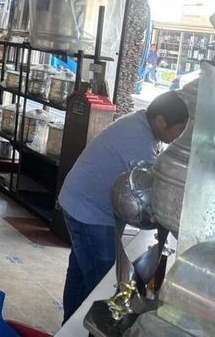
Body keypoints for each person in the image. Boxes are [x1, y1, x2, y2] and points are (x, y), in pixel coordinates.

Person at [58, 91, 189, 322]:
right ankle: (83, 327)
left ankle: (69, 326)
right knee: (100, 281)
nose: (179, 136)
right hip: (90, 213)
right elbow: (154, 191)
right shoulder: (138, 139)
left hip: (78, 201)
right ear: (161, 121)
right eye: (179, 129)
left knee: (80, 270)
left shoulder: (140, 123)